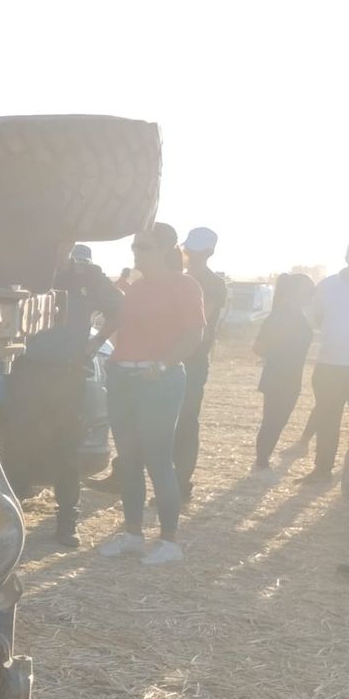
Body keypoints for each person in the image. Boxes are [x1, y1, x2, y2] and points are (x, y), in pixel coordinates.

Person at [90, 223, 205, 565]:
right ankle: (133, 535)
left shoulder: (184, 285)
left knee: (158, 459)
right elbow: (120, 323)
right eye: (135, 247)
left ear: (165, 249)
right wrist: (96, 344)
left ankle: (169, 542)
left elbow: (194, 334)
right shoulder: (137, 288)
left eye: (144, 247)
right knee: (128, 460)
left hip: (159, 380)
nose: (136, 252)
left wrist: (165, 365)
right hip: (124, 378)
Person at [20, 244, 122, 546]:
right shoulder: (26, 270)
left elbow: (119, 309)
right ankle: (11, 521)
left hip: (69, 374)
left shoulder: (87, 276)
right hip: (25, 371)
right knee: (19, 444)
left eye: (64, 239)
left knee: (68, 452)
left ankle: (67, 524)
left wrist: (97, 342)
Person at [174, 226, 226, 497]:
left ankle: (181, 483)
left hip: (192, 360)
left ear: (209, 253)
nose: (190, 254)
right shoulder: (180, 278)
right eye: (189, 250)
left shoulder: (213, 284)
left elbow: (197, 322)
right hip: (172, 355)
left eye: (195, 251)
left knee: (184, 421)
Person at [251, 273, 316, 477]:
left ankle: (262, 460)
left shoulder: (294, 313)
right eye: (309, 289)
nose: (312, 294)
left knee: (276, 420)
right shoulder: (283, 314)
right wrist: (279, 350)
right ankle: (261, 462)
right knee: (273, 420)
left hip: (289, 375)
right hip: (280, 375)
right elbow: (259, 347)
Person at [302, 248, 349, 486]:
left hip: (333, 362)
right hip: (330, 364)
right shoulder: (328, 286)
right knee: (328, 418)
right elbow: (316, 317)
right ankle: (322, 469)